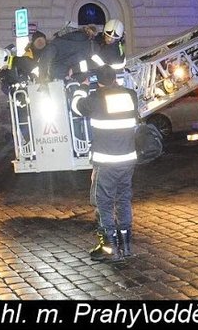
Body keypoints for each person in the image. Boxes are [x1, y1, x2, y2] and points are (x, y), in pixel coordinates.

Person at [84, 66, 139, 262]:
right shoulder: (130, 95)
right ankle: (126, 247)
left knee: (103, 203)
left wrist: (79, 88)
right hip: (127, 160)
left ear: (98, 81)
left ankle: (109, 250)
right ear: (115, 78)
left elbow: (77, 106)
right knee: (123, 200)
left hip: (106, 163)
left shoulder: (95, 98)